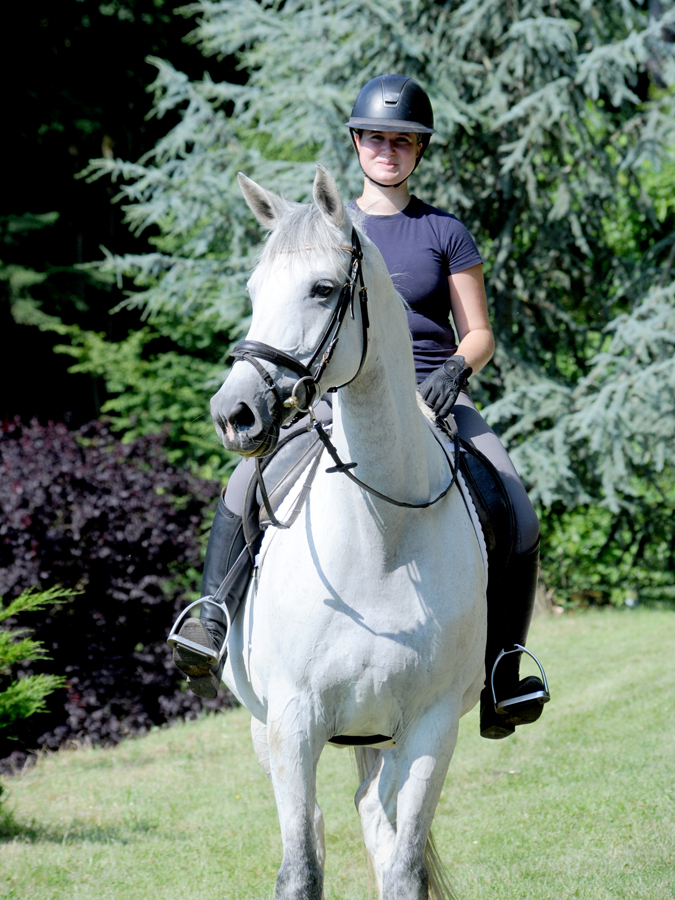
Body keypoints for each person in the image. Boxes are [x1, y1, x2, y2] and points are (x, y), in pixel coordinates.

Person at [172, 74, 549, 740]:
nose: (388, 150)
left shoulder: (444, 231)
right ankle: (212, 622)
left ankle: (501, 671)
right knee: (241, 482)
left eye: (403, 141)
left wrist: (457, 370)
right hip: (336, 395)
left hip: (435, 396)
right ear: (356, 143)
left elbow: (479, 331)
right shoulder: (323, 226)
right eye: (376, 138)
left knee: (515, 507)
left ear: (418, 152)